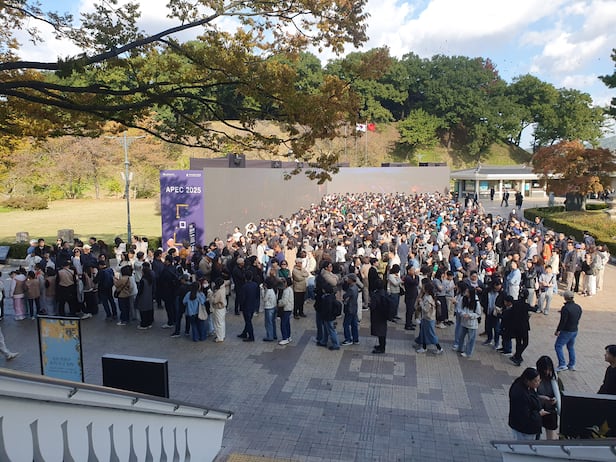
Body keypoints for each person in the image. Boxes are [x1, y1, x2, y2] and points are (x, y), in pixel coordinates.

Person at [508, 367, 549, 440]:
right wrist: (539, 414)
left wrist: (540, 398)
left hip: (528, 427)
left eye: (539, 380)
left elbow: (531, 397)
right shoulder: (521, 395)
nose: (538, 383)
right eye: (535, 381)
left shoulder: (525, 386)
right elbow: (525, 416)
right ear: (528, 381)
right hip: (525, 430)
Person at [554, 290, 582, 372]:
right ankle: (571, 365)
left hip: (566, 331)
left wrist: (558, 330)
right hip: (574, 330)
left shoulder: (565, 308)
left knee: (558, 346)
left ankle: (562, 364)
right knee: (570, 347)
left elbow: (563, 321)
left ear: (565, 297)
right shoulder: (578, 307)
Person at [536, 356, 563, 440]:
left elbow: (560, 393)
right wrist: (541, 398)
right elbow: (530, 394)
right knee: (536, 433)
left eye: (549, 369)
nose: (547, 372)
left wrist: (555, 399)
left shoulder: (555, 379)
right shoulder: (535, 377)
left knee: (551, 432)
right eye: (545, 370)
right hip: (537, 409)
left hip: (550, 409)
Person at [415, 279, 444, 355]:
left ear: (427, 290)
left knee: (431, 334)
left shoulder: (428, 299)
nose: (422, 288)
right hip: (426, 318)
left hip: (429, 319)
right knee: (424, 333)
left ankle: (439, 348)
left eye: (424, 287)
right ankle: (424, 347)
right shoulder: (428, 296)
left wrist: (421, 302)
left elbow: (426, 309)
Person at [457, 286, 482, 358]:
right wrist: (462, 313)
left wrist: (470, 315)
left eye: (467, 292)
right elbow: (459, 308)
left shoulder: (476, 301)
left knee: (471, 339)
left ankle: (468, 352)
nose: (466, 293)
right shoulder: (463, 299)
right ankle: (460, 348)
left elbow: (478, 313)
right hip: (464, 322)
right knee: (461, 336)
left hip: (472, 323)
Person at [237, 271, 260, 342]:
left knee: (248, 321)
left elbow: (242, 298)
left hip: (246, 306)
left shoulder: (244, 287)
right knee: (248, 320)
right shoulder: (255, 285)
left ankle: (251, 336)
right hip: (253, 305)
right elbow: (257, 296)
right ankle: (244, 333)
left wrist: (241, 305)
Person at [369, 279, 389, 354]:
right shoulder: (385, 293)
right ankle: (381, 345)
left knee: (380, 331)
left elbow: (373, 306)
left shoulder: (375, 295)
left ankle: (382, 348)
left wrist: (369, 304)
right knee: (382, 330)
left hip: (377, 315)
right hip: (384, 314)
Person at [135, 262, 155, 330]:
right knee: (149, 310)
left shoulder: (143, 280)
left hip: (143, 298)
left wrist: (137, 298)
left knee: (143, 312)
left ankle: (144, 324)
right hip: (149, 297)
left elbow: (140, 291)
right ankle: (149, 323)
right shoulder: (150, 279)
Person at [341, 273, 359, 346]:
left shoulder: (351, 289)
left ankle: (348, 339)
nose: (347, 280)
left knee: (346, 324)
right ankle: (355, 339)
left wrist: (344, 297)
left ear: (351, 280)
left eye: (348, 279)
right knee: (354, 324)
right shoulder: (356, 287)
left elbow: (345, 296)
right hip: (354, 308)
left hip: (349, 308)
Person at [209, 277, 227, 343]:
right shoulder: (223, 288)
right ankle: (222, 335)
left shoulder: (219, 292)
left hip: (218, 308)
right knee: (222, 323)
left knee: (218, 323)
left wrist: (210, 294)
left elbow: (214, 301)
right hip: (223, 308)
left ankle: (219, 337)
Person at [277, 278, 294, 345]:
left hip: (286, 309)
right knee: (287, 323)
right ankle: (288, 336)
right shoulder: (290, 289)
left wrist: (279, 303)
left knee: (283, 324)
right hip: (289, 308)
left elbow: (284, 301)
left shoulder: (286, 291)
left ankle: (285, 338)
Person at [402, 265, 420, 331]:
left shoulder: (413, 277)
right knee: (409, 311)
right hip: (409, 296)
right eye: (412, 270)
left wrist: (415, 276)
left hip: (413, 296)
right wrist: (416, 276)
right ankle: (408, 324)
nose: (414, 271)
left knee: (412, 310)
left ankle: (410, 322)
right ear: (408, 271)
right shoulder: (407, 277)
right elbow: (415, 282)